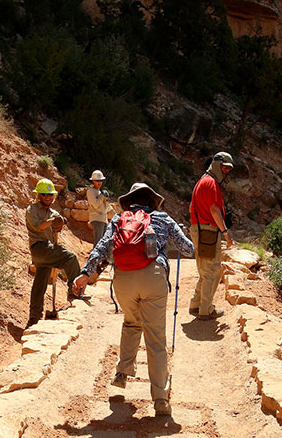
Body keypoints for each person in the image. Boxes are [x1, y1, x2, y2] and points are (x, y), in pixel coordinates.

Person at [73, 182, 194, 417]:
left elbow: (101, 247)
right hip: (154, 276)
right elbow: (188, 249)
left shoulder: (119, 219)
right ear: (152, 199)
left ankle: (123, 371)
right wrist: (183, 234)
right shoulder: (163, 218)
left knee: (131, 321)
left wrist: (85, 274)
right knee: (156, 338)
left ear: (130, 200)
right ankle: (160, 398)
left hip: (123, 279)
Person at [25, 178, 81, 327]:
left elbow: (57, 226)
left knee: (40, 284)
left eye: (50, 194)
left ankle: (34, 318)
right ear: (39, 195)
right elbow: (39, 227)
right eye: (44, 194)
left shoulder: (53, 212)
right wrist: (52, 220)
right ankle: (74, 292)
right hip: (39, 248)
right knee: (70, 258)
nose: (47, 197)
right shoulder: (32, 210)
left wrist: (59, 223)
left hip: (48, 249)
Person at [189, 151, 234, 321]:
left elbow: (190, 208)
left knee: (204, 271)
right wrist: (225, 233)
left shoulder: (201, 182)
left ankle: (196, 304)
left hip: (198, 229)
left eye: (228, 169)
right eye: (224, 167)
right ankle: (206, 310)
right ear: (216, 164)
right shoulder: (211, 183)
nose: (226, 171)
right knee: (213, 272)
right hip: (208, 231)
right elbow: (214, 210)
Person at [86, 169, 112, 247]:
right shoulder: (90, 191)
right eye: (97, 180)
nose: (99, 182)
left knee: (104, 242)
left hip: (103, 220)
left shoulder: (99, 192)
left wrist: (105, 199)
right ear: (93, 181)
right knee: (98, 242)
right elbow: (95, 204)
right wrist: (102, 196)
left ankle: (101, 258)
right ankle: (94, 258)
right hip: (97, 219)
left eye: (100, 180)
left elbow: (105, 208)